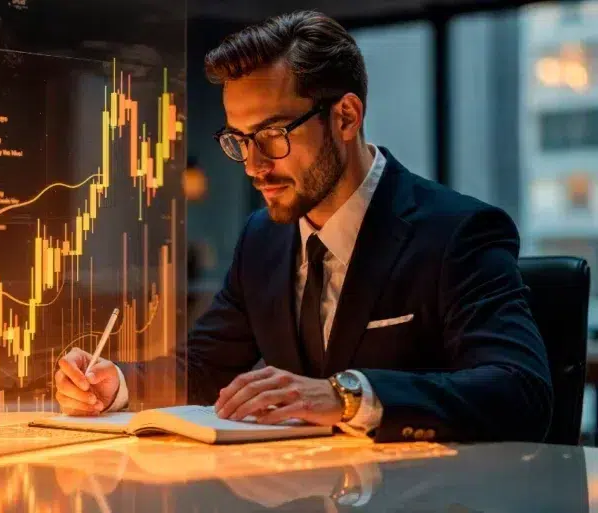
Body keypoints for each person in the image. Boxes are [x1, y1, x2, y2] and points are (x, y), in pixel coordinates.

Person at [54, 10, 553, 443]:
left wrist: (348, 396)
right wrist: (115, 382)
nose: (252, 165)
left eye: (272, 135)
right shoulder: (262, 240)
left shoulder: (458, 232)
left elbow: (520, 391)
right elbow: (202, 367)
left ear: (346, 116)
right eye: (239, 139)